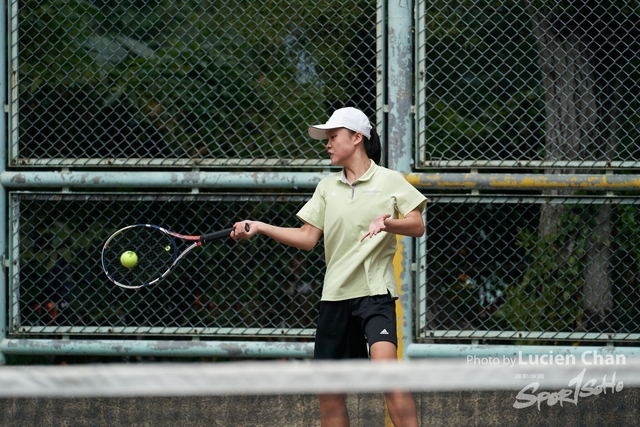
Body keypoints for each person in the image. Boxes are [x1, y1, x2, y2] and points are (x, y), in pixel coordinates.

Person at [232, 107, 425, 427]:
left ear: (357, 137)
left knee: (389, 377)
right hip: (334, 297)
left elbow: (416, 225)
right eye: (327, 138)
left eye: (333, 137)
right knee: (330, 392)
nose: (328, 144)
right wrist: (262, 226)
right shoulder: (327, 188)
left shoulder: (390, 180)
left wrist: (389, 223)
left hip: (374, 294)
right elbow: (308, 238)